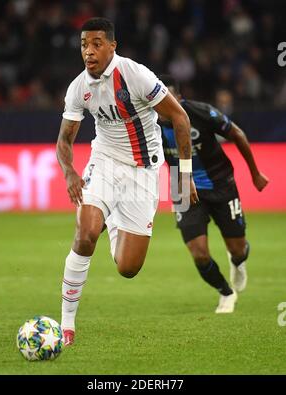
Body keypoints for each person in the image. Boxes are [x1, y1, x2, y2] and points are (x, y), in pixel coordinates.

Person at [56, 18, 198, 346]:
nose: (88, 51)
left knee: (128, 268)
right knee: (86, 231)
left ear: (112, 46)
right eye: (83, 45)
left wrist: (184, 174)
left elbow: (180, 117)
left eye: (96, 44)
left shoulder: (136, 75)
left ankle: (116, 219)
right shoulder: (79, 88)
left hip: (142, 173)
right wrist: (70, 172)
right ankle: (66, 325)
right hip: (103, 162)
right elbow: (64, 140)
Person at [159, 75, 269, 313]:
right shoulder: (148, 123)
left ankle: (238, 261)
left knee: (237, 249)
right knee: (199, 253)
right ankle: (226, 293)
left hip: (220, 183)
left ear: (178, 98)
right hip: (181, 186)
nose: (162, 104)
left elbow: (237, 134)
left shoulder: (200, 113)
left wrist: (255, 173)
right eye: (158, 98)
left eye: (168, 97)